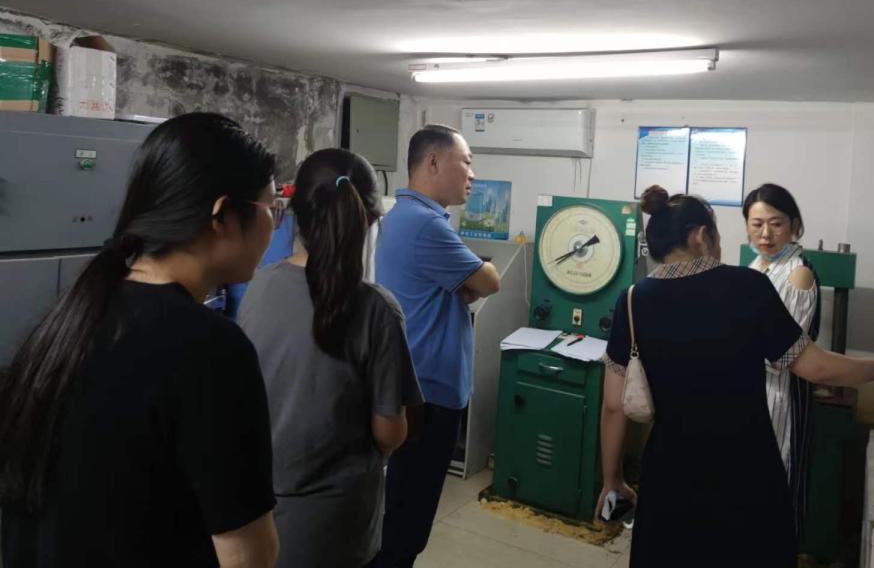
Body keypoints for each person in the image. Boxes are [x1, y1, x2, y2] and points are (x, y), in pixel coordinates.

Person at [0, 113, 280, 567]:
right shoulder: (211, 349)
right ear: (223, 216)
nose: (275, 224)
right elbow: (247, 556)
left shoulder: (73, 316)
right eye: (272, 208)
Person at [598, 186, 874, 568]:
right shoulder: (747, 286)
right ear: (701, 236)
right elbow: (815, 367)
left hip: (671, 472)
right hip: (745, 469)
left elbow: (613, 405)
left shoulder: (632, 300)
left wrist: (612, 480)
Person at [238, 149, 423, 568]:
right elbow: (389, 433)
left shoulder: (259, 286)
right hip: (337, 525)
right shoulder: (378, 309)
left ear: (294, 214)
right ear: (369, 220)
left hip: (259, 511)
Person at [371, 124, 501, 567]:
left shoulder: (403, 216)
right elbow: (491, 281)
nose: (472, 174)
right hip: (427, 397)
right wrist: (471, 281)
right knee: (407, 523)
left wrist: (465, 285)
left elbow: (467, 286)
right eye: (466, 162)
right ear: (432, 162)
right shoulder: (426, 225)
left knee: (401, 510)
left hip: (417, 387)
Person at [743, 182, 819, 532]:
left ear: (794, 226)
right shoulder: (756, 267)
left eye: (776, 224)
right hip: (749, 391)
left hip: (777, 395)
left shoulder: (797, 274)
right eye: (757, 224)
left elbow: (778, 355)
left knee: (771, 481)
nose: (766, 234)